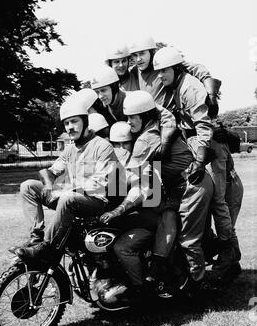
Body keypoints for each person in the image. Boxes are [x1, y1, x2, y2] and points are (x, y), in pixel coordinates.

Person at [100, 91, 214, 299]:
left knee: (189, 240)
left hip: (192, 184)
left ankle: (198, 289)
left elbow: (132, 180)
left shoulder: (145, 140)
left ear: (144, 116)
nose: (129, 122)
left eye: (133, 118)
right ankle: (158, 271)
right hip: (178, 186)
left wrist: (106, 192)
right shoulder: (156, 124)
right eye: (127, 117)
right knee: (167, 216)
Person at [153, 46, 240, 285]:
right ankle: (225, 257)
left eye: (164, 71)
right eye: (158, 72)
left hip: (209, 146)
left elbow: (204, 126)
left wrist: (201, 160)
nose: (160, 76)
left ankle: (229, 257)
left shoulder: (190, 88)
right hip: (199, 144)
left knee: (218, 202)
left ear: (175, 68)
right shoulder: (179, 83)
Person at [12, 95, 121, 262]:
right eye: (66, 123)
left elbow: (99, 184)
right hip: (71, 198)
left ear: (85, 121)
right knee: (28, 186)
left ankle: (46, 247)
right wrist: (49, 186)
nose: (70, 127)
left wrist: (64, 190)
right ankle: (36, 238)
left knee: (67, 198)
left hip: (97, 201)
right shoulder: (70, 148)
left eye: (74, 121)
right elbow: (51, 171)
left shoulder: (102, 146)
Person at [129, 36, 221, 118]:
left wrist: (212, 96)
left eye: (142, 53)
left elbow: (198, 69)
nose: (138, 59)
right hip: (150, 121)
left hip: (171, 120)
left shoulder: (164, 63)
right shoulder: (134, 71)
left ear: (151, 51)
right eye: (134, 55)